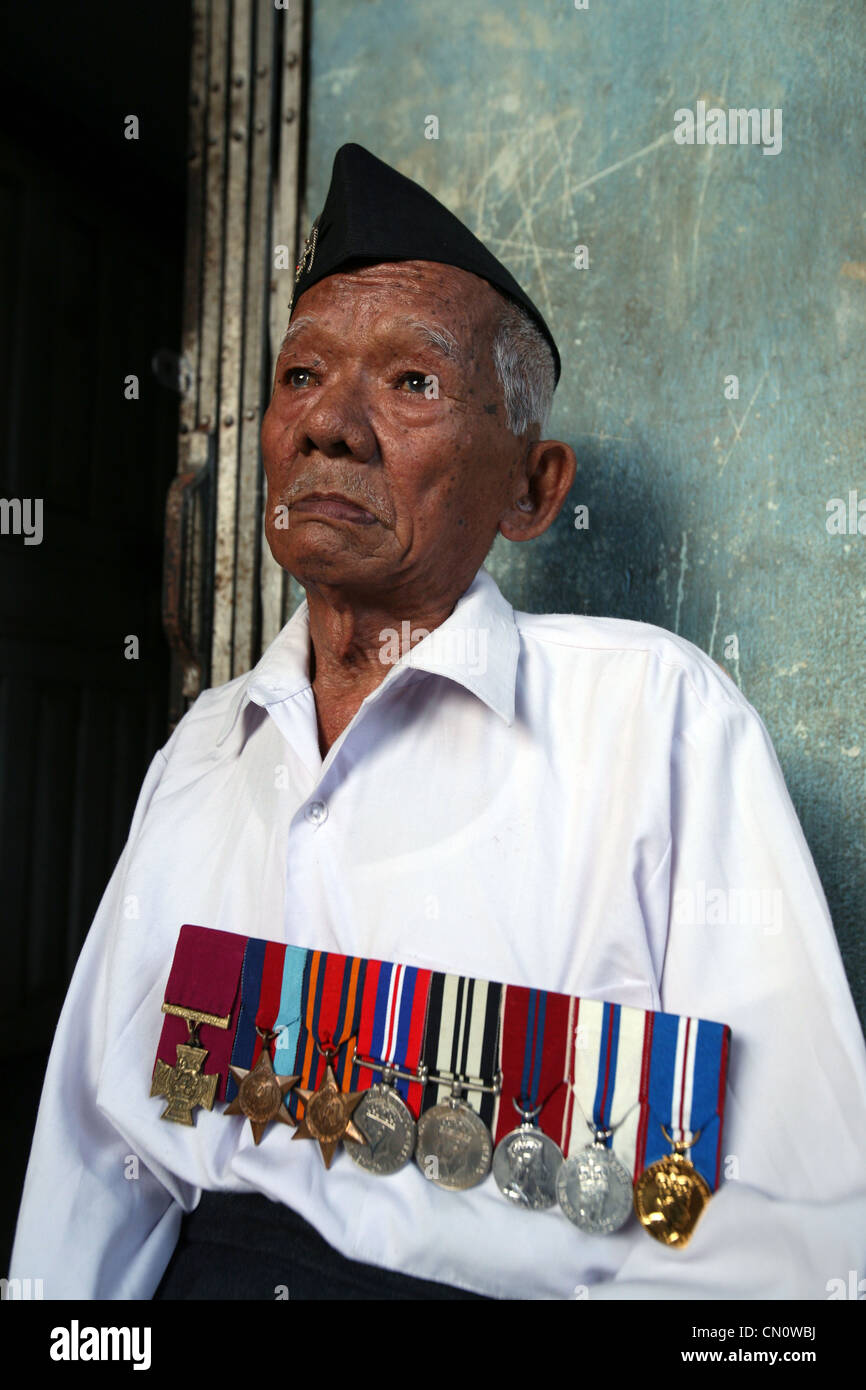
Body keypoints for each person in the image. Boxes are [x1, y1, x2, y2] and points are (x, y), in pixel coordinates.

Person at [10, 145, 866, 1301]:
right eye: (301, 374)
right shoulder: (206, 748)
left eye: (411, 382)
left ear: (530, 486)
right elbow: (94, 1165)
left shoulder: (651, 719)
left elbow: (798, 1222)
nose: (328, 424)